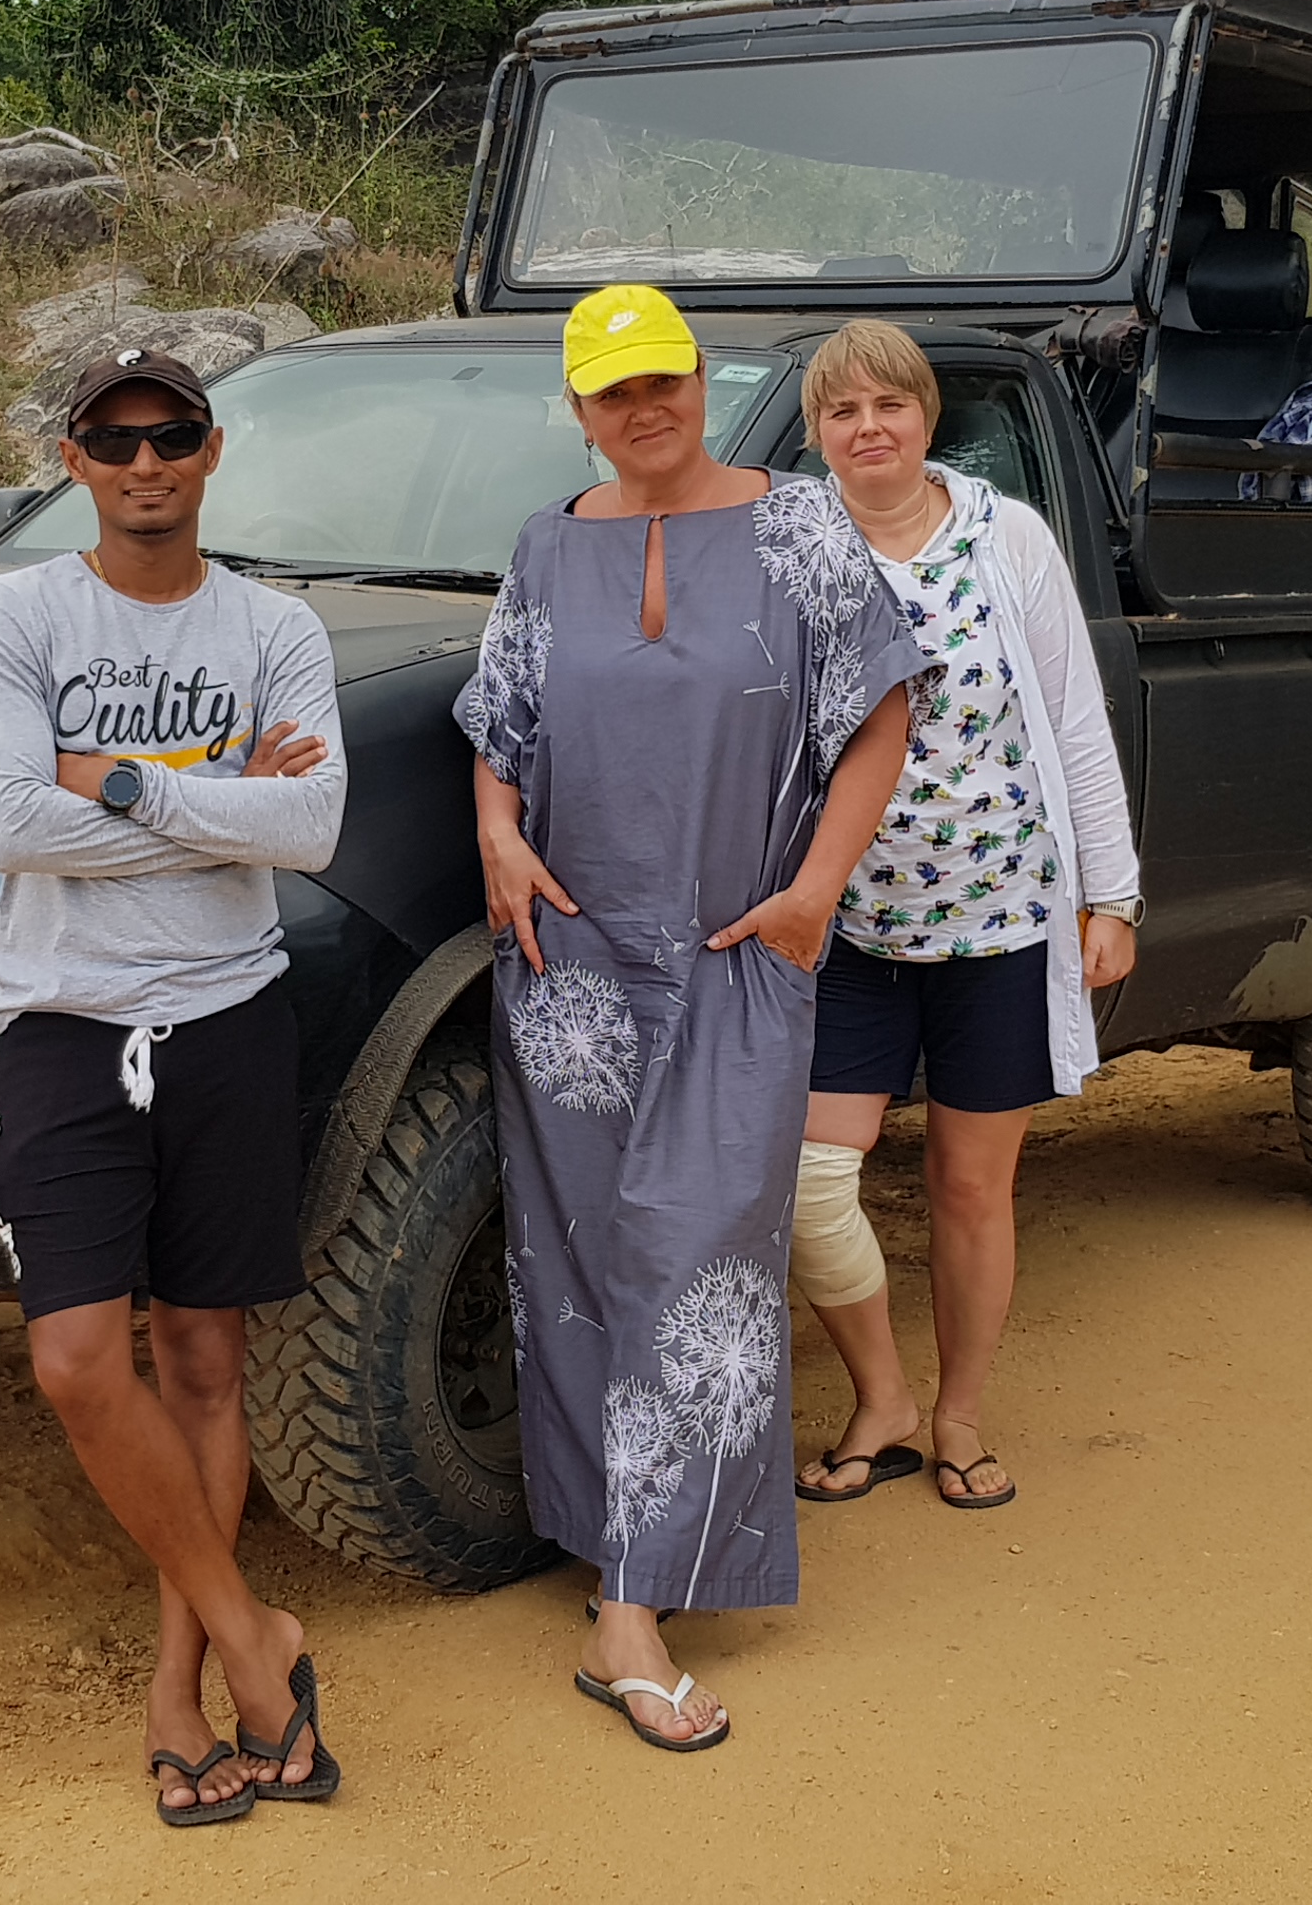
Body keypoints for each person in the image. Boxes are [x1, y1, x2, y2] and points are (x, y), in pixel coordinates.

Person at [458, 285, 926, 1755]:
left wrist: (814, 895)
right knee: (586, 1257)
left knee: (705, 1256)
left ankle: (635, 1604)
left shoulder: (797, 526)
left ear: (701, 379)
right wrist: (497, 834)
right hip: (572, 966)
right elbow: (502, 725)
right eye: (611, 392)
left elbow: (883, 716)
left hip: (738, 949)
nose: (641, 408)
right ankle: (623, 1577)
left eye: (661, 381)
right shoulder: (549, 542)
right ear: (579, 406)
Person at [0, 347, 350, 1827]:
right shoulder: (17, 612)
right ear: (74, 459)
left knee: (202, 1360)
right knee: (73, 1359)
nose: (145, 463)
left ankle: (186, 1686)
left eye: (171, 435)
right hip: (66, 1019)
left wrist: (115, 781)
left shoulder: (275, 625)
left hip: (228, 1016)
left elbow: (309, 828)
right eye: (115, 441)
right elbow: (6, 825)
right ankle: (262, 1636)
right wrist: (218, 799)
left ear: (210, 450)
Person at [783, 320, 1143, 1512]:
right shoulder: (789, 543)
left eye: (890, 404)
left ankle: (959, 1415)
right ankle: (881, 1394)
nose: (868, 427)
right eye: (842, 411)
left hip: (1000, 917)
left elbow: (1074, 717)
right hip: (845, 927)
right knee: (810, 1184)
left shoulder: (1007, 536)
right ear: (816, 432)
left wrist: (1112, 893)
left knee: (971, 1189)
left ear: (930, 418)